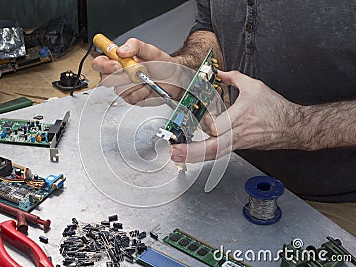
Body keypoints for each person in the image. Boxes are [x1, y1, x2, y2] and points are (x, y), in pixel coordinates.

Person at [93, 0, 356, 234]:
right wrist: (184, 71)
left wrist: (299, 124)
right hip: (235, 178)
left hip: (336, 207)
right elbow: (211, 26)